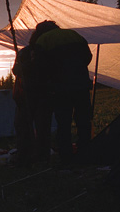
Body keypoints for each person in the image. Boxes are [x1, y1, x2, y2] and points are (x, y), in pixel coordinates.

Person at [32, 20, 93, 164]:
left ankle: (66, 158)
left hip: (61, 88)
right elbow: (88, 57)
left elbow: (40, 66)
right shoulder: (73, 34)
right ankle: (85, 154)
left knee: (64, 123)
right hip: (81, 85)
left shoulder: (43, 40)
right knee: (83, 121)